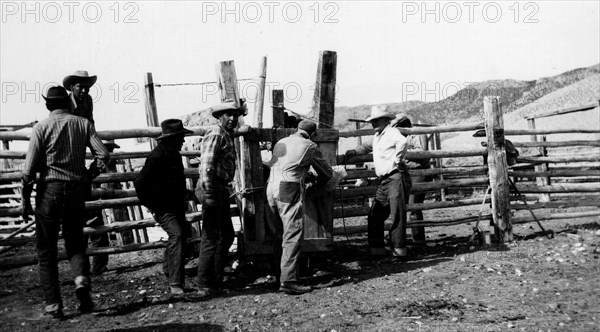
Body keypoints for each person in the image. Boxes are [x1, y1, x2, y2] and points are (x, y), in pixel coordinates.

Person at [21, 86, 109, 318]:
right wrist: (88, 176)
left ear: (48, 105)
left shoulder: (40, 128)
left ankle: (54, 305)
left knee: (46, 250)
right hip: (75, 191)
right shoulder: (83, 124)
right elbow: (103, 155)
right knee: (76, 243)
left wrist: (25, 201)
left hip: (49, 191)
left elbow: (28, 171)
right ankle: (81, 283)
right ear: (66, 103)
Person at [266, 120, 333, 295]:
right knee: (292, 234)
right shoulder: (309, 145)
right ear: (312, 134)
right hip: (288, 188)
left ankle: (278, 274)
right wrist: (313, 179)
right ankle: (288, 281)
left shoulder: (282, 141)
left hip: (271, 187)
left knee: (278, 233)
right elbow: (326, 173)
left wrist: (304, 173)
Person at [134, 119, 195, 295]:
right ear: (171, 138)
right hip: (163, 208)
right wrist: (152, 206)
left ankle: (170, 270)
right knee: (177, 235)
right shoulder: (157, 156)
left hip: (175, 205)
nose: (183, 141)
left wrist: (184, 194)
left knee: (181, 236)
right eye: (180, 137)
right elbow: (140, 183)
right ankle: (175, 283)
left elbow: (174, 182)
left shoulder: (173, 154)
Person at [195, 100, 249, 297]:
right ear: (220, 117)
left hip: (220, 187)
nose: (233, 118)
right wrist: (208, 190)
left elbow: (240, 128)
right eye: (228, 115)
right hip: (212, 185)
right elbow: (206, 165)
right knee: (210, 236)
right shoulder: (216, 134)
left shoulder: (227, 133)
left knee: (226, 235)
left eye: (235, 115)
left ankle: (215, 278)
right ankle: (204, 283)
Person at [346, 105, 411, 258]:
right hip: (384, 180)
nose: (373, 123)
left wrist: (397, 159)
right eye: (372, 121)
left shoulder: (392, 132)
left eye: (376, 120)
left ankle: (399, 249)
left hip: (396, 177)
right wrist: (354, 152)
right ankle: (377, 248)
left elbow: (403, 142)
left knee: (397, 215)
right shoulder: (377, 136)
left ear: (385, 119)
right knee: (375, 213)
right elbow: (367, 147)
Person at [392, 114, 431, 245]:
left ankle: (419, 240)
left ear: (404, 125)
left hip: (418, 172)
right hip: (406, 172)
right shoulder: (401, 137)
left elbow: (421, 152)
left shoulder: (417, 134)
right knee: (401, 205)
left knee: (414, 207)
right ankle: (401, 238)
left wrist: (401, 151)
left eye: (397, 127)